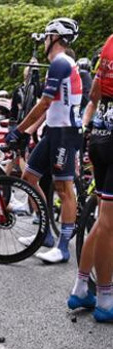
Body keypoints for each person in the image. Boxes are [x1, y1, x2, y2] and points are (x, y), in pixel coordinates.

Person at [6, 18, 82, 264]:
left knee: (63, 188)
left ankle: (63, 248)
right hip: (53, 130)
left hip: (65, 132)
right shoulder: (59, 65)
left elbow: (45, 103)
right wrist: (29, 131)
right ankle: (45, 235)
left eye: (47, 36)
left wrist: (19, 129)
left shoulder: (61, 63)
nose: (44, 41)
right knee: (29, 178)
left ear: (55, 38)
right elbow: (51, 107)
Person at [70, 33, 113, 322]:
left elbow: (96, 91)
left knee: (102, 220)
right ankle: (106, 301)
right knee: (109, 222)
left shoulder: (110, 42)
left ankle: (81, 288)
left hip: (99, 134)